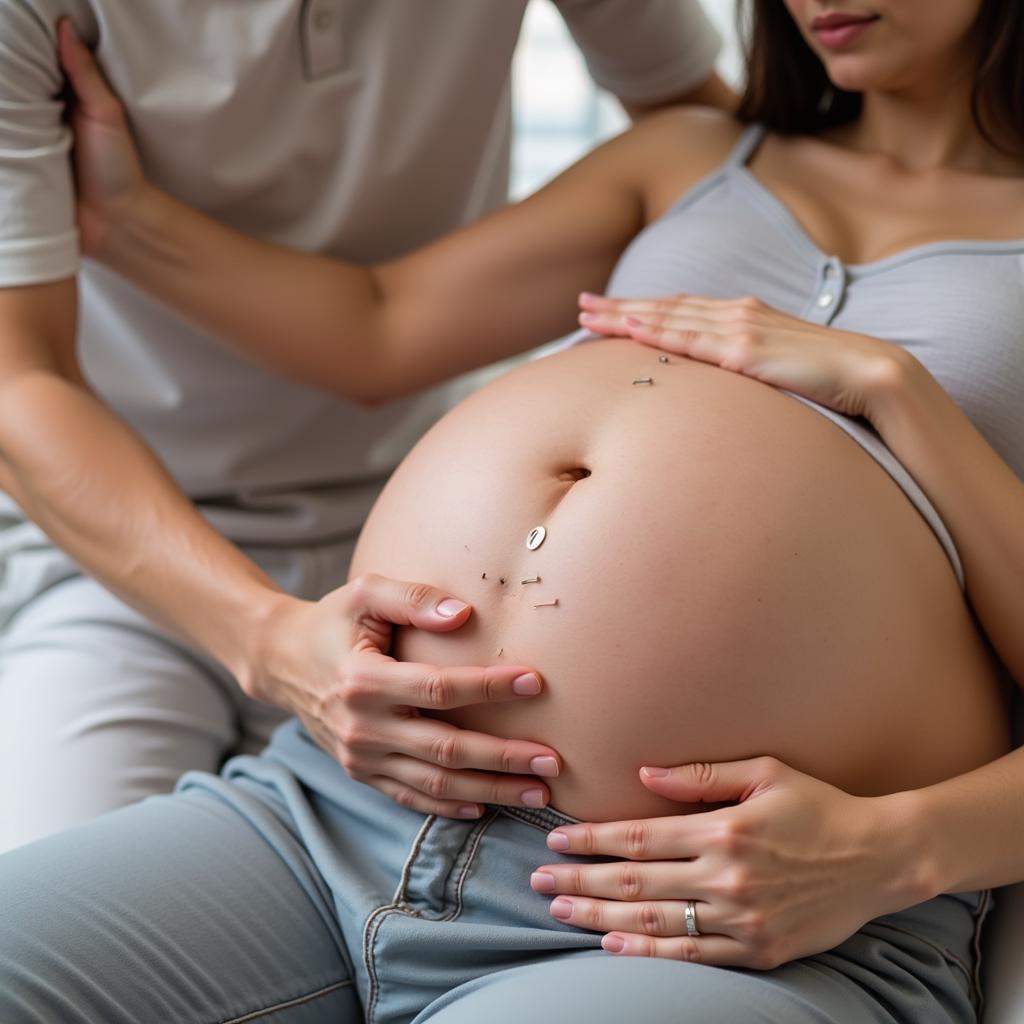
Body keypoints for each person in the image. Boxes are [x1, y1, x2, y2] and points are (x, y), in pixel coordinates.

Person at [2, 0, 1023, 1021]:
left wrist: (894, 389)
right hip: (343, 810)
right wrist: (131, 220)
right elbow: (378, 325)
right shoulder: (691, 153)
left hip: (705, 915)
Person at [0, 0, 731, 853]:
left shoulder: (704, 152)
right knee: (52, 933)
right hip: (129, 568)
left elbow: (733, 160)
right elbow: (19, 383)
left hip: (425, 550)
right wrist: (270, 641)